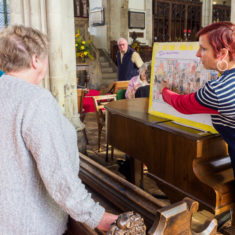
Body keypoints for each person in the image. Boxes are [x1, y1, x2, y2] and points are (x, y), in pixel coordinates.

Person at [0, 25, 118, 234]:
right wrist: (95, 215)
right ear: (36, 60)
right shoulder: (35, 100)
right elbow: (57, 172)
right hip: (30, 223)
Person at [160, 22, 235, 177]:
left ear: (222, 53)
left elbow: (182, 104)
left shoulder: (217, 91)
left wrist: (164, 91)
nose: (197, 54)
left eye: (203, 48)